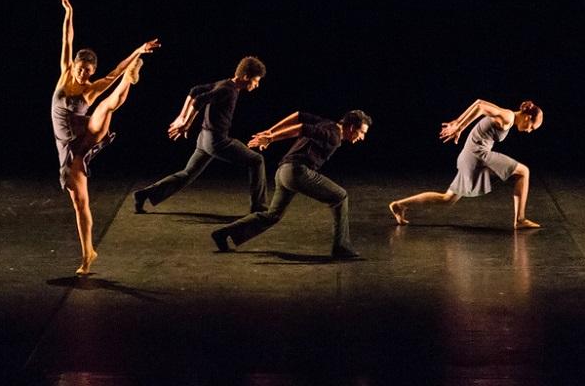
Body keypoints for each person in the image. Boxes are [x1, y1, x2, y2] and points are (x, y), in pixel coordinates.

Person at [52, 0, 159, 275]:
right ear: (73, 65)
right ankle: (88, 252)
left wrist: (137, 52)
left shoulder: (91, 88)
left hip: (88, 134)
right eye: (81, 69)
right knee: (80, 203)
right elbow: (67, 39)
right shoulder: (65, 74)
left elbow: (113, 70)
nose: (84, 75)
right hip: (70, 149)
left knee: (107, 106)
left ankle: (132, 77)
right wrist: (69, 12)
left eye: (88, 72)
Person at [211, 109, 372, 259]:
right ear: (351, 127)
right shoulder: (334, 135)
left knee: (272, 215)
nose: (362, 137)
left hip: (283, 172)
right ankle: (341, 246)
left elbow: (298, 115)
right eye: (362, 132)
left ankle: (223, 234)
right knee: (340, 197)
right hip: (297, 172)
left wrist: (271, 131)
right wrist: (271, 137)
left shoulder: (327, 123)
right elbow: (302, 127)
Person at [132, 57, 268, 214]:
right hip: (217, 141)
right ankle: (259, 207)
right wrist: (186, 124)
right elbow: (199, 99)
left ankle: (143, 195)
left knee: (187, 174)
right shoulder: (227, 90)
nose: (257, 85)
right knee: (257, 160)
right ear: (246, 77)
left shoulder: (224, 83)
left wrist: (181, 116)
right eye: (256, 81)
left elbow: (195, 90)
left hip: (204, 139)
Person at [388, 99, 543, 230]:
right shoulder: (508, 116)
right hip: (478, 155)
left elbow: (478, 102)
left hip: (469, 157)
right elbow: (480, 106)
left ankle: (400, 205)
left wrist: (458, 122)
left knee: (447, 198)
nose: (529, 131)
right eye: (532, 127)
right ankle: (520, 219)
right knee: (524, 172)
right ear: (528, 117)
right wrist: (459, 126)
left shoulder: (506, 114)